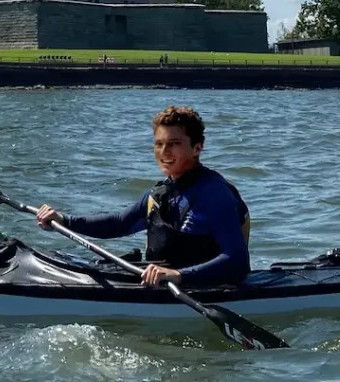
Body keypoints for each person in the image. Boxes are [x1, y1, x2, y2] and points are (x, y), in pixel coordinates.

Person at [34, 105, 250, 288]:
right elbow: (119, 223)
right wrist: (64, 220)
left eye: (174, 144)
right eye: (159, 144)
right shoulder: (160, 194)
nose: (164, 152)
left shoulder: (214, 193)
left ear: (197, 148)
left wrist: (179, 276)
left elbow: (237, 260)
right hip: (161, 283)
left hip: (206, 287)